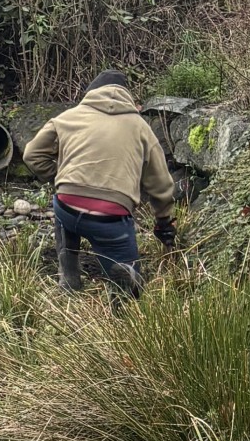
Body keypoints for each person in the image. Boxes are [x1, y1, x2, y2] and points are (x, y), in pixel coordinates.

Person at [20, 69, 179, 299]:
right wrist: (164, 222)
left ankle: (69, 276)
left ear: (91, 93)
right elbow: (161, 184)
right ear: (128, 97)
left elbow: (31, 154)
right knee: (131, 288)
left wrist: (60, 178)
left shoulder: (67, 118)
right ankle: (122, 282)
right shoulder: (141, 127)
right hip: (110, 217)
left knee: (65, 213)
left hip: (68, 204)